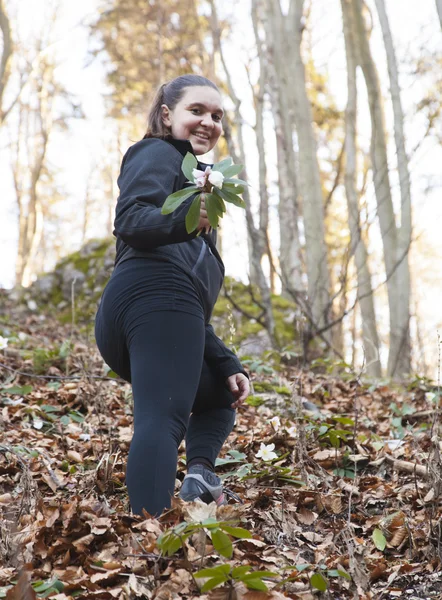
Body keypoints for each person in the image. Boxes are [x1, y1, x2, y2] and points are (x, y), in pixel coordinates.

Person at [94, 74, 250, 517]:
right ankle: (149, 541)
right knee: (161, 421)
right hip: (150, 296)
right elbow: (131, 219)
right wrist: (187, 216)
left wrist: (225, 362)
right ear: (167, 115)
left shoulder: (198, 185)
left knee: (219, 393)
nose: (208, 122)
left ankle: (199, 476)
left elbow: (189, 307)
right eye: (196, 111)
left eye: (217, 116)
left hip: (151, 312)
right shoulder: (158, 152)